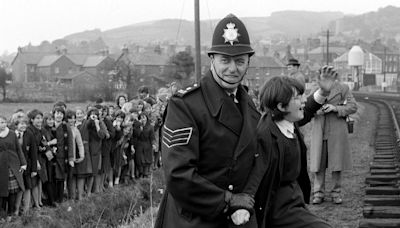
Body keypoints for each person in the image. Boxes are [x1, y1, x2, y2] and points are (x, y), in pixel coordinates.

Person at [155, 14, 260, 228]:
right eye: (225, 60)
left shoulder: (247, 103)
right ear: (212, 59)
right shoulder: (185, 106)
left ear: (248, 61)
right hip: (195, 220)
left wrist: (244, 201)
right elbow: (178, 175)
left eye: (240, 61)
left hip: (239, 218)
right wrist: (229, 200)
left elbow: (257, 159)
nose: (233, 68)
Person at [249, 68, 337, 228]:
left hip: (295, 202)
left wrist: (323, 92)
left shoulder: (288, 121)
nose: (303, 100)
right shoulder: (265, 137)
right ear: (282, 106)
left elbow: (309, 108)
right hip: (279, 210)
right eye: (298, 97)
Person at [309, 77, 358, 205]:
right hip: (320, 130)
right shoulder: (316, 89)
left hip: (337, 131)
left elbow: (353, 106)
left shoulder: (343, 89)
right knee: (319, 163)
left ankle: (336, 193)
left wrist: (335, 108)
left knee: (336, 164)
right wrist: (317, 110)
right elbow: (307, 107)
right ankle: (318, 193)